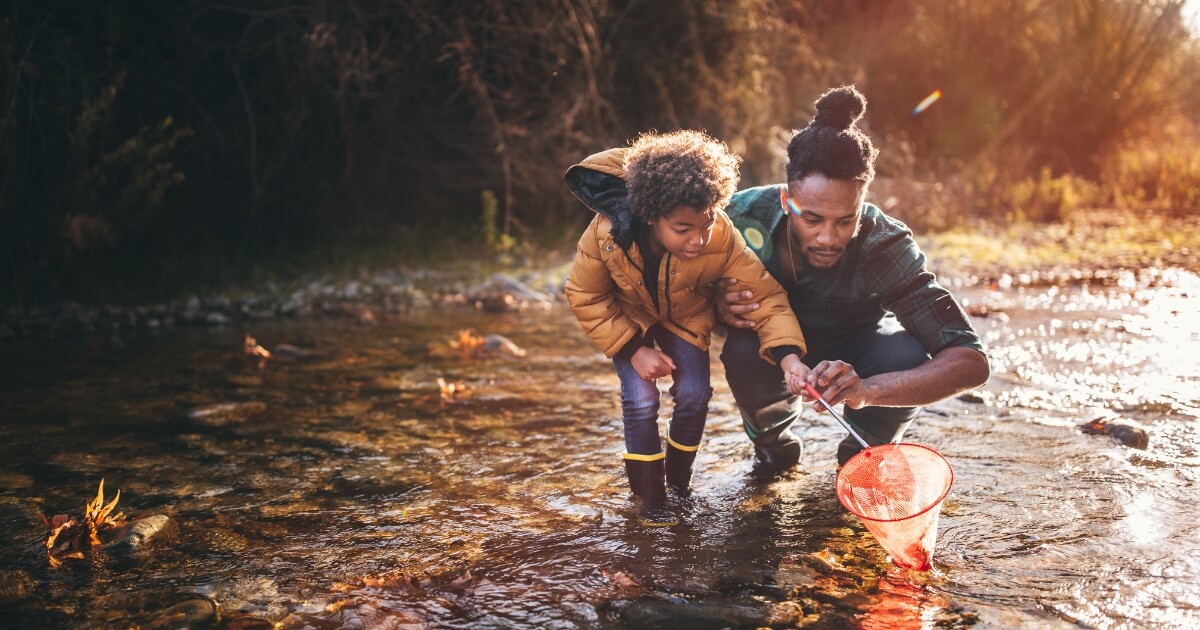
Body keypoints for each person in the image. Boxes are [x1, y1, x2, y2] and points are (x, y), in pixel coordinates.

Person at [717, 85, 991, 470]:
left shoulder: (886, 243)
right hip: (769, 349)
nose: (828, 238)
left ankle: (861, 463)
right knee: (741, 349)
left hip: (859, 348)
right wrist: (716, 305)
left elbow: (971, 362)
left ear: (862, 202)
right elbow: (669, 285)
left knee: (907, 354)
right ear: (786, 200)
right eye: (811, 219)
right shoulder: (738, 218)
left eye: (846, 220)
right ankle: (773, 451)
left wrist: (868, 391)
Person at [563, 130, 812, 527]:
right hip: (630, 321)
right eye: (683, 229)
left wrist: (789, 358)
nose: (698, 240)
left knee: (696, 394)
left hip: (687, 317)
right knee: (641, 400)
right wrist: (631, 350)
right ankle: (650, 500)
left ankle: (678, 488)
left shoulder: (723, 237)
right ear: (650, 215)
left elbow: (766, 297)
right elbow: (584, 294)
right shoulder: (606, 234)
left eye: (706, 224)